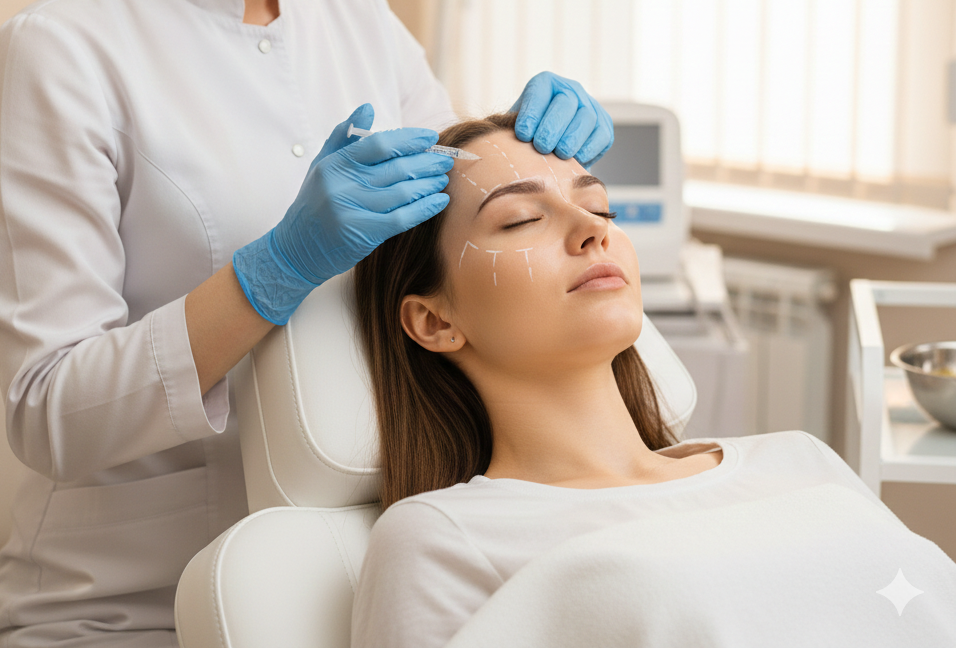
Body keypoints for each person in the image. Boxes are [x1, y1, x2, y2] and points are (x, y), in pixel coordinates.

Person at [0, 0, 614, 646]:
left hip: (351, 577)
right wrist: (271, 272)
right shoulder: (60, 53)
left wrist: (535, 164)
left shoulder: (360, 16)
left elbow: (448, 260)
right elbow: (53, 413)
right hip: (126, 605)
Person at [351, 113, 956, 648]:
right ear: (434, 321)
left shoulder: (798, 459)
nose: (594, 230)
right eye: (521, 219)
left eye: (599, 205)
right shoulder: (442, 538)